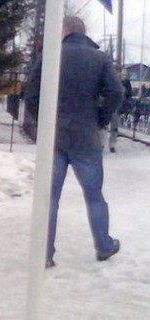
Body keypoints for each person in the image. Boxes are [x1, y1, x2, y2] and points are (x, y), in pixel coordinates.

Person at [25, 16, 123, 268]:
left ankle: (44, 253)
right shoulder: (99, 58)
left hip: (54, 137)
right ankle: (103, 246)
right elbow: (116, 92)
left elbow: (31, 94)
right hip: (86, 136)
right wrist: (99, 119)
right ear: (83, 32)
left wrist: (42, 122)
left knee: (50, 197)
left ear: (64, 31)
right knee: (94, 195)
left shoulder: (50, 55)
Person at [107, 67, 133, 153]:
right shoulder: (108, 80)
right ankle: (101, 144)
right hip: (108, 107)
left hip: (117, 107)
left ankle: (112, 145)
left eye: (119, 72)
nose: (118, 74)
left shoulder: (125, 82)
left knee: (114, 127)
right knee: (103, 127)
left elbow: (129, 94)